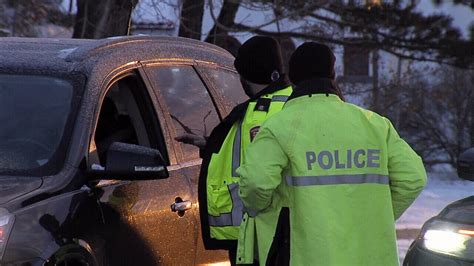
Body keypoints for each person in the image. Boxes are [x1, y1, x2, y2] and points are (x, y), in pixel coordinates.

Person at [235, 42, 427, 265]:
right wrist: (374, 219)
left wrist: (265, 212)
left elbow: (255, 184)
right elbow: (414, 178)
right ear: (333, 74)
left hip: (307, 254)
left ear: (294, 78)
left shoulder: (279, 126)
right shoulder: (375, 124)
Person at [176, 36, 293, 265]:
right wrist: (210, 145)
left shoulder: (255, 115)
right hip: (293, 233)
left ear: (246, 75)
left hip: (262, 235)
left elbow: (256, 174)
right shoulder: (295, 102)